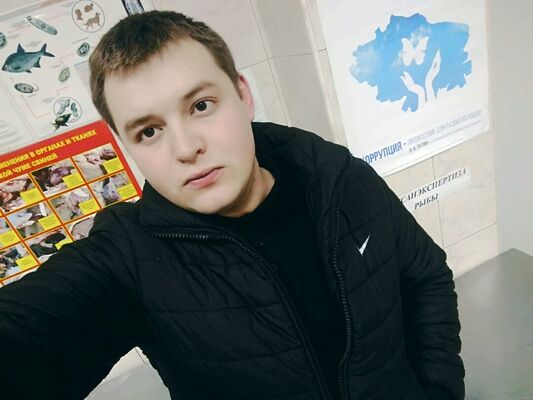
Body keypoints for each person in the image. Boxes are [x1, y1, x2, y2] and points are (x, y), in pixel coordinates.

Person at [0, 10, 465, 400]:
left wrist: (438, 390)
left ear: (242, 96)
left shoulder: (340, 177)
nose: (186, 147)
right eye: (149, 131)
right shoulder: (128, 257)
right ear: (126, 144)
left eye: (201, 106)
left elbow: (424, 276)